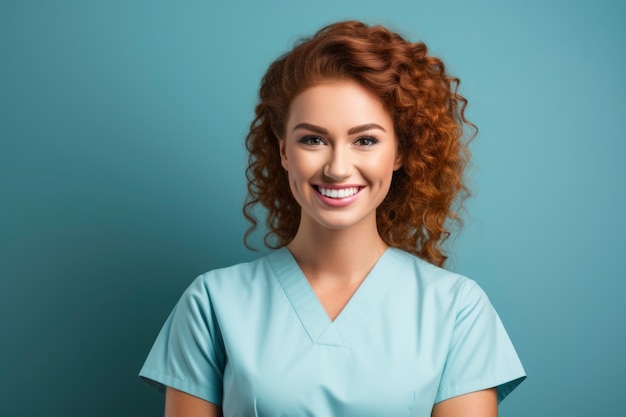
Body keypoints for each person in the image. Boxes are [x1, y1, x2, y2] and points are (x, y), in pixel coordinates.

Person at [139, 20, 526, 416]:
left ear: (399, 153)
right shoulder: (212, 303)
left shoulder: (457, 308)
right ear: (284, 152)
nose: (338, 168)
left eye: (365, 140)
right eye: (313, 139)